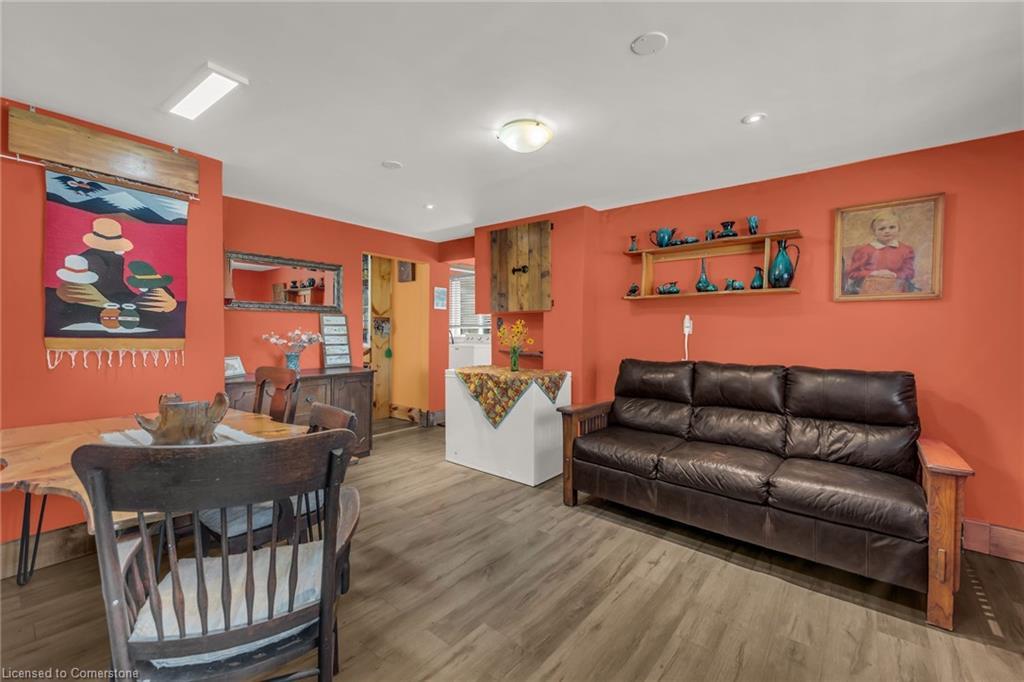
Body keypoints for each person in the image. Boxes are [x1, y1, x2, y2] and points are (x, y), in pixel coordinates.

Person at [844, 210, 916, 295]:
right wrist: (873, 273)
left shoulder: (906, 250)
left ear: (899, 228)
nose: (887, 231)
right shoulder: (864, 250)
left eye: (892, 227)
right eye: (882, 228)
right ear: (874, 232)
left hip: (896, 289)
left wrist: (893, 274)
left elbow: (909, 273)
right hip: (867, 290)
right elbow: (852, 273)